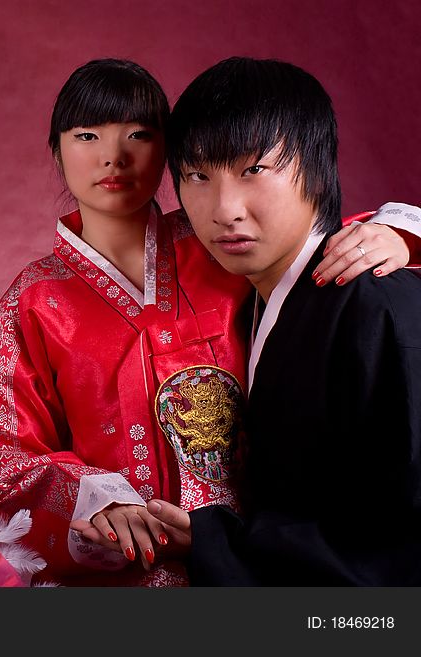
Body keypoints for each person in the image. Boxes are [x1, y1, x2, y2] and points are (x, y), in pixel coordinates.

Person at [0, 59, 420, 586]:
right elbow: (2, 446)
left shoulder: (219, 252)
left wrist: (401, 231)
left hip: (271, 565)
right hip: (141, 573)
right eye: (86, 134)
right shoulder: (34, 300)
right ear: (56, 148)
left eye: (138, 134)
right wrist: (90, 495)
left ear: (164, 152)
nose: (113, 157)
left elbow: (319, 244)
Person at [146, 57, 421, 585]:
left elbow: (396, 537)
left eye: (253, 170)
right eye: (197, 176)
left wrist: (213, 541)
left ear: (316, 168)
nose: (225, 208)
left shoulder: (373, 303)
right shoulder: (242, 301)